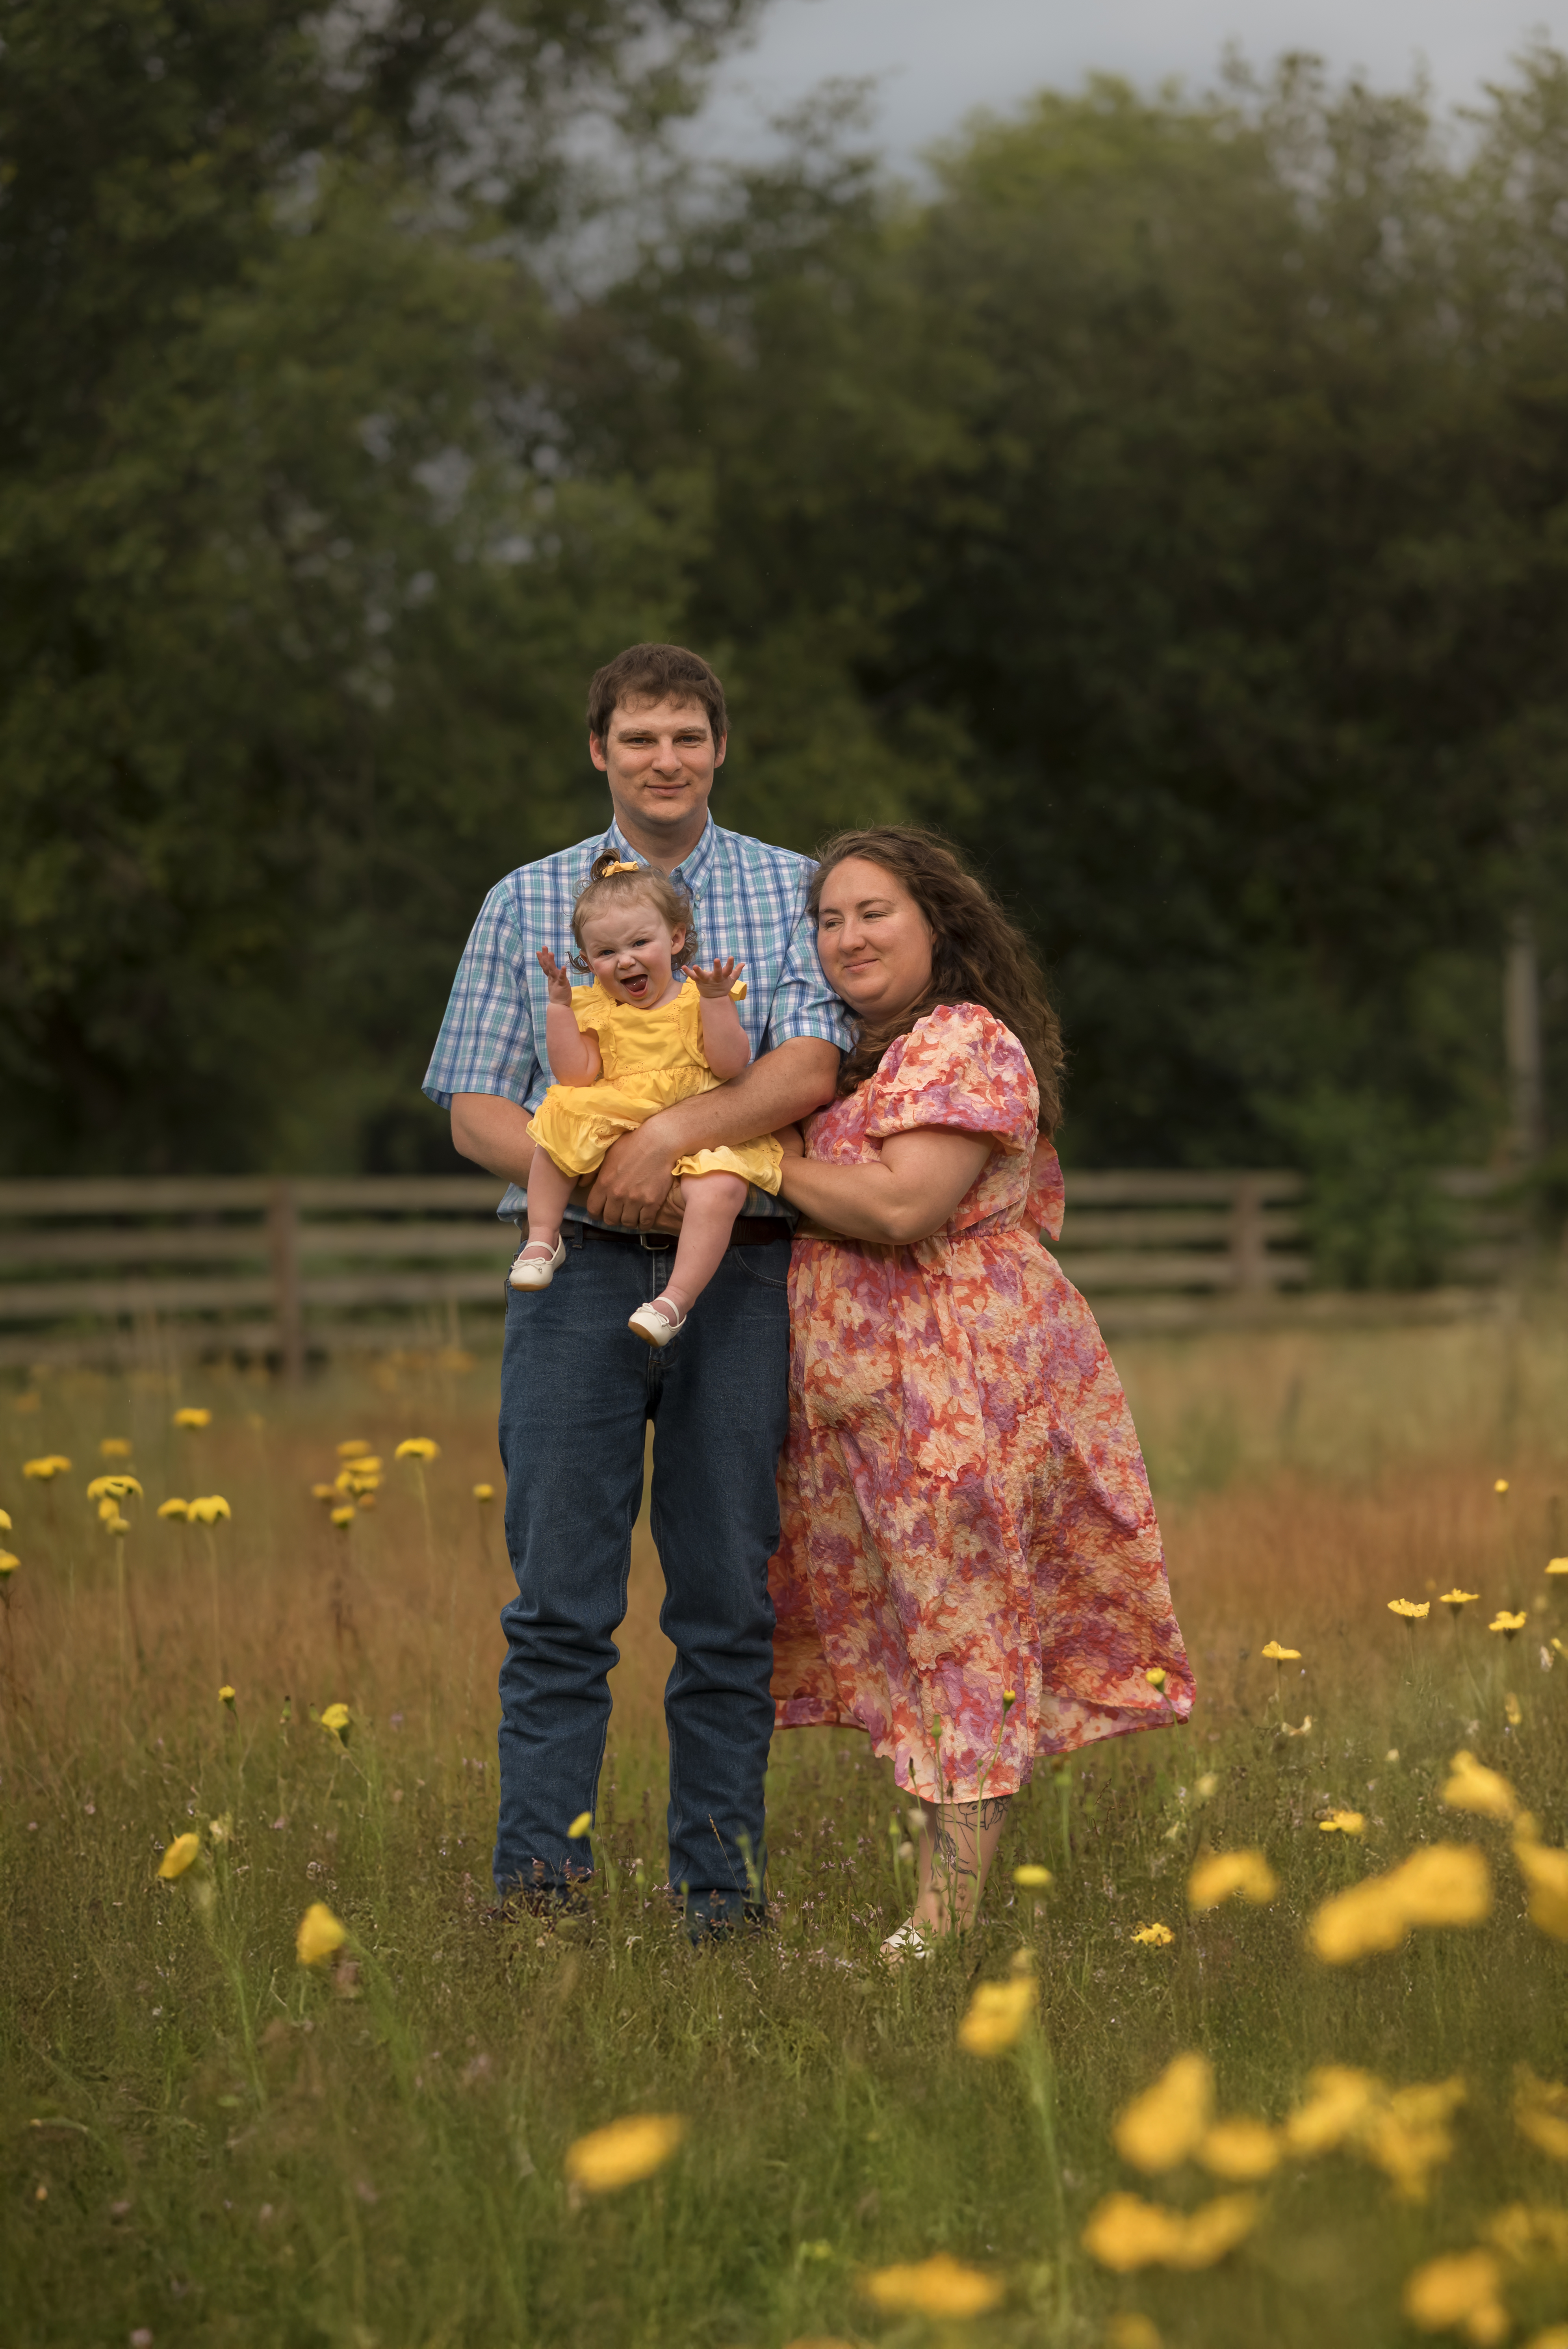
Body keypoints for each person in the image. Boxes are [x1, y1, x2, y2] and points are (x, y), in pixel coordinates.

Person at [423, 643, 846, 1936]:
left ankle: (719, 1900)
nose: (665, 758)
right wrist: (606, 1166)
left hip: (739, 1274)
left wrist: (669, 1143)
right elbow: (476, 1106)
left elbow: (807, 1070)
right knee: (560, 1601)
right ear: (597, 750)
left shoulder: (792, 890)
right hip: (577, 1280)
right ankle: (541, 1896)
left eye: (688, 736)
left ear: (721, 749)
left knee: (725, 1601)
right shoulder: (526, 900)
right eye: (639, 736)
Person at [768, 826, 1194, 1957]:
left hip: (958, 1383)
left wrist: (741, 1164)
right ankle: (931, 1901)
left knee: (963, 1627)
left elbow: (906, 1207)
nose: (846, 936)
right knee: (917, 1631)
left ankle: (940, 1924)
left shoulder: (961, 1038)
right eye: (829, 919)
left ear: (938, 926)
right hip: (872, 1400)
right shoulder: (843, 1057)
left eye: (874, 913)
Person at [512, 852, 783, 1346]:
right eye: (606, 952)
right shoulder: (600, 1008)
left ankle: (675, 1299)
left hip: (698, 1124)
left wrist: (718, 1001)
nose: (626, 960)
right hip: (620, 1115)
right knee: (558, 1123)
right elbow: (575, 1073)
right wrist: (558, 1009)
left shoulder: (696, 997)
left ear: (676, 939)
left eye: (640, 942)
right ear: (588, 961)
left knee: (721, 1189)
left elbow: (730, 1066)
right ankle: (541, 1238)